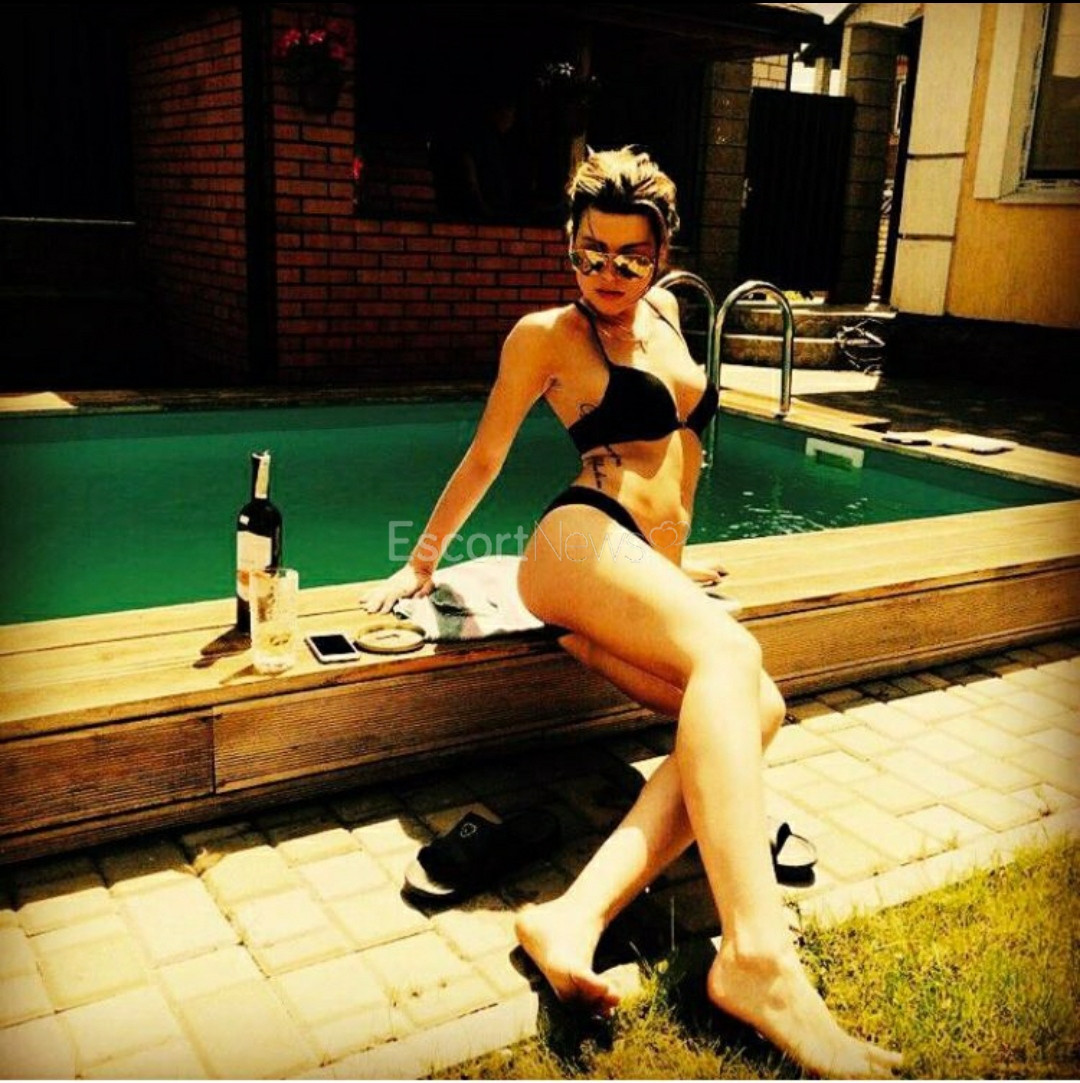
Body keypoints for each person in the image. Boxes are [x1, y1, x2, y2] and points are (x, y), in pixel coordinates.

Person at [362, 146, 902, 1079]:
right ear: (568, 245)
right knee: (732, 660)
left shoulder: (666, 317)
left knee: (757, 702)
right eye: (590, 252)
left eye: (629, 256)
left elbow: (681, 459)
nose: (607, 272)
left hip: (637, 563)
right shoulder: (544, 336)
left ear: (661, 257)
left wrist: (672, 581)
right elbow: (487, 455)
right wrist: (419, 562)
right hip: (575, 538)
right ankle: (757, 957)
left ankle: (570, 918)